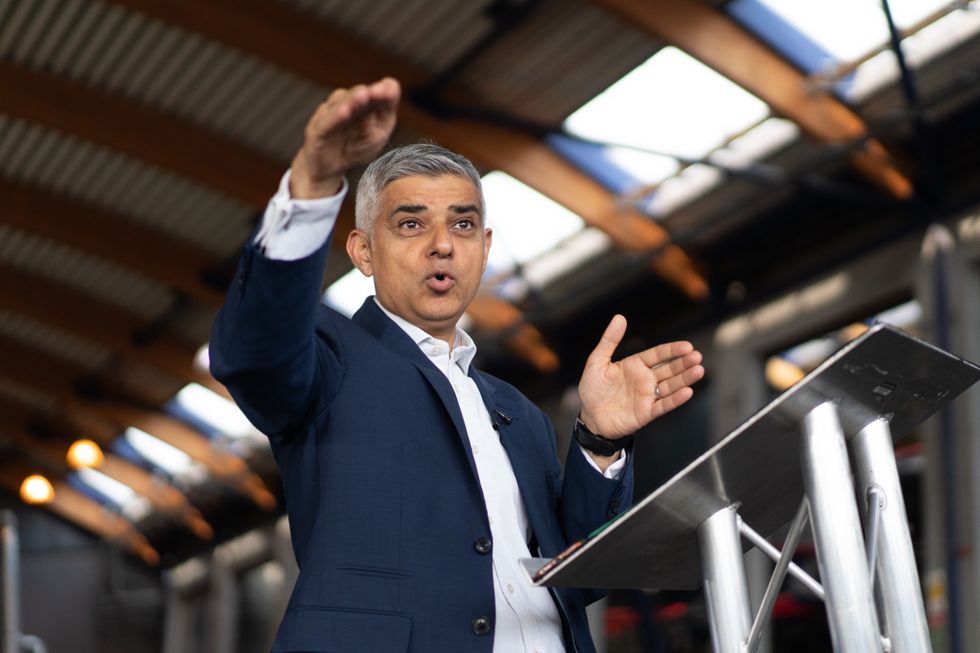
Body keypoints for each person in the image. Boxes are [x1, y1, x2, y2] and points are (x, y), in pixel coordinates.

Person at [210, 77, 704, 653]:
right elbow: (253, 349)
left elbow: (581, 578)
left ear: (486, 248)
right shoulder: (328, 359)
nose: (443, 244)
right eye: (412, 224)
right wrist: (314, 185)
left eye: (463, 224)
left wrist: (597, 442)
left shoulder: (516, 411)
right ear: (363, 251)